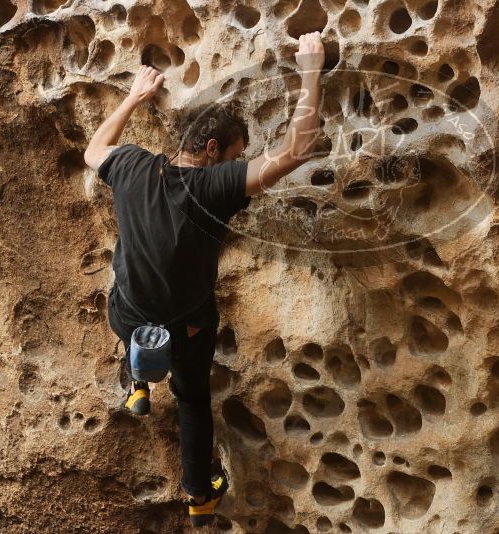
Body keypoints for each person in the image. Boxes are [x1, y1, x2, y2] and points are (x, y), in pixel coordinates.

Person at [83, 33, 325, 526]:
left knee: (125, 283)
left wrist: (133, 96)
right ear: (212, 151)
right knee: (193, 399)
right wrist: (311, 70)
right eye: (236, 155)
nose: (239, 163)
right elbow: (299, 148)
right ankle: (199, 496)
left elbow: (94, 150)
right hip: (185, 329)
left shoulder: (131, 166)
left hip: (127, 315)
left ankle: (138, 381)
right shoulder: (214, 188)